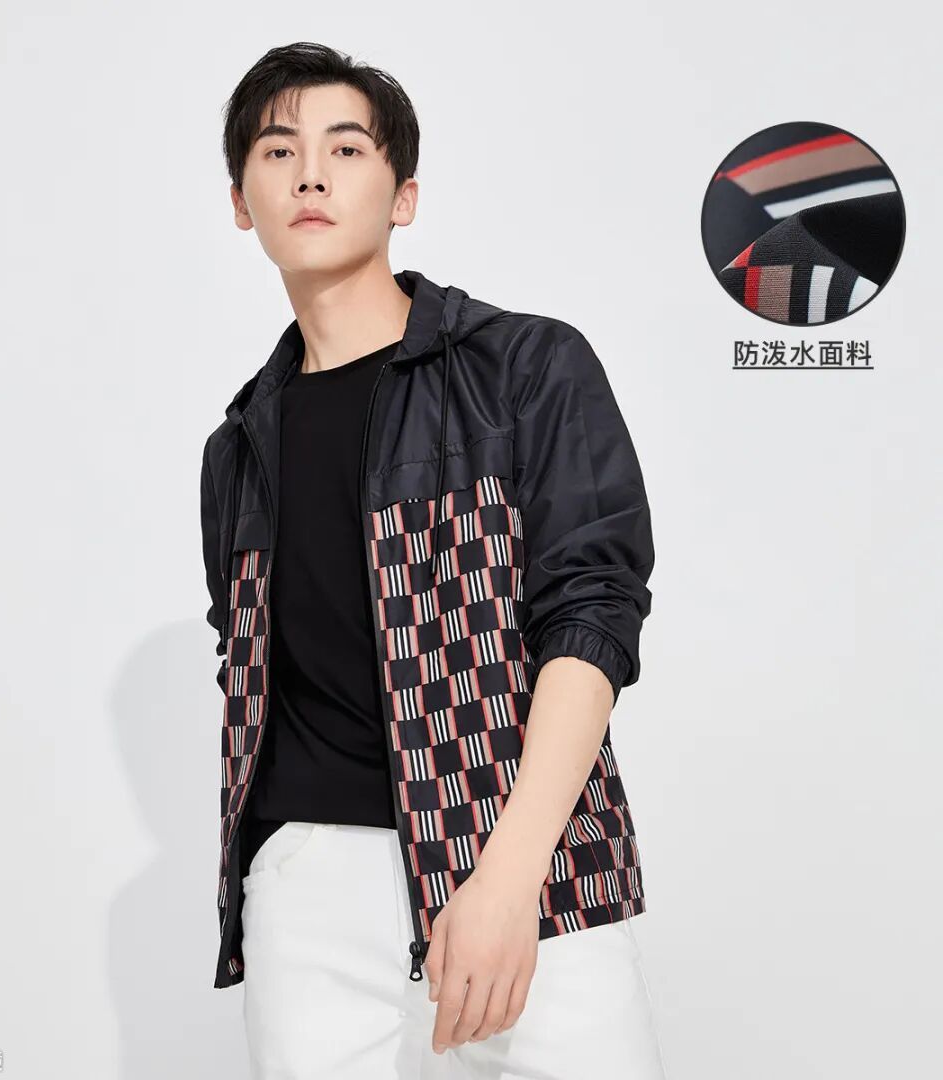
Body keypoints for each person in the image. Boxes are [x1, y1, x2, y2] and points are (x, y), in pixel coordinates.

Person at [199, 40, 667, 1079]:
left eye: (345, 148)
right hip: (310, 897)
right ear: (241, 202)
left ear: (402, 195)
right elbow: (250, 666)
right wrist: (273, 869)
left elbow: (592, 615)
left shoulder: (526, 367)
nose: (310, 176)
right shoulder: (239, 447)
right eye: (277, 152)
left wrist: (507, 877)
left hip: (525, 866)